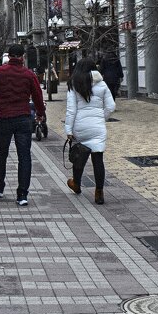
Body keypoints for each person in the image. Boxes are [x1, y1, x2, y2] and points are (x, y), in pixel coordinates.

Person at [0, 44, 46, 206]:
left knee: (1, 154)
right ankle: (22, 194)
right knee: (24, 157)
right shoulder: (28, 74)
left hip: (3, 118)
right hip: (23, 119)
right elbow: (38, 96)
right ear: (22, 57)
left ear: (9, 56)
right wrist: (40, 114)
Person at [64, 57, 116, 204]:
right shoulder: (102, 84)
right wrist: (102, 117)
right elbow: (111, 107)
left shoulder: (74, 84)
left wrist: (68, 129)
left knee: (79, 155)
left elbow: (71, 110)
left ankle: (76, 184)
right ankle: (99, 192)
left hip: (80, 126)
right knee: (98, 159)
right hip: (98, 127)